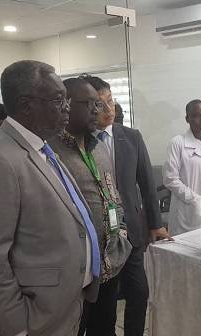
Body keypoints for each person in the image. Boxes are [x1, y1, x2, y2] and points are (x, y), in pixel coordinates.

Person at [0, 60, 100, 336]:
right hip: (36, 316)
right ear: (26, 105)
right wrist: (17, 325)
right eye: (59, 100)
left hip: (67, 303)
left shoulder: (42, 147)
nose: (67, 108)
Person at [82, 74, 171, 336]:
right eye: (101, 105)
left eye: (112, 101)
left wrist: (156, 224)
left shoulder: (131, 137)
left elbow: (146, 183)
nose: (110, 110)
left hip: (131, 232)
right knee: (106, 303)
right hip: (101, 238)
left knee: (140, 292)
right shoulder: (82, 143)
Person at [48, 78, 132, 336]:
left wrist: (122, 232)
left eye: (100, 103)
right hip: (77, 269)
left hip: (110, 262)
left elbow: (112, 195)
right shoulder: (50, 152)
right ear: (67, 106)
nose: (99, 110)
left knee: (105, 328)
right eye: (91, 105)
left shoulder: (99, 147)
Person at [164, 99, 201, 236]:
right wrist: (195, 199)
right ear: (187, 119)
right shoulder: (177, 143)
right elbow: (170, 179)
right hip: (187, 211)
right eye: (196, 116)